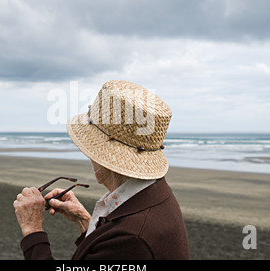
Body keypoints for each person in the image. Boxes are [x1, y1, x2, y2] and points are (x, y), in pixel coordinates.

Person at [14, 80, 189, 260]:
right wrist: (84, 222)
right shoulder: (153, 195)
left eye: (91, 150)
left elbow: (123, 247)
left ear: (105, 158)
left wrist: (32, 229)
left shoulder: (132, 239)